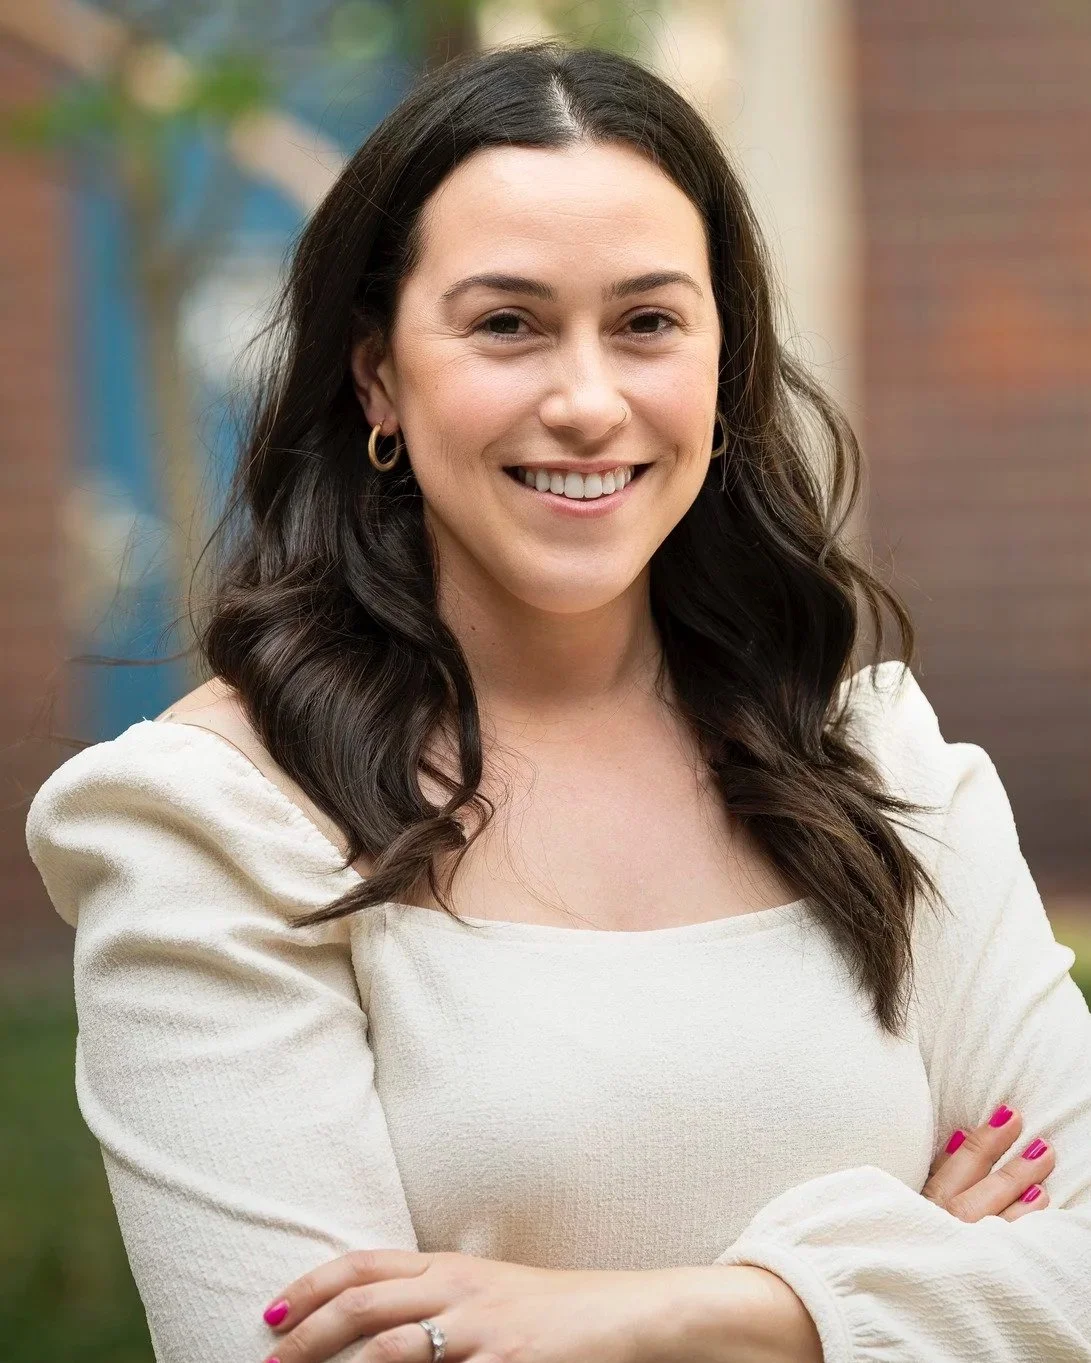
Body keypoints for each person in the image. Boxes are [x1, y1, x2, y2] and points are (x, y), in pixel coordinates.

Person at [24, 38, 1091, 1363]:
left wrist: (680, 1311)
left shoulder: (879, 765)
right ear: (377, 376)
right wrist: (912, 1284)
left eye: (646, 322)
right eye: (506, 324)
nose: (586, 401)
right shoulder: (219, 822)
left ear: (723, 361)